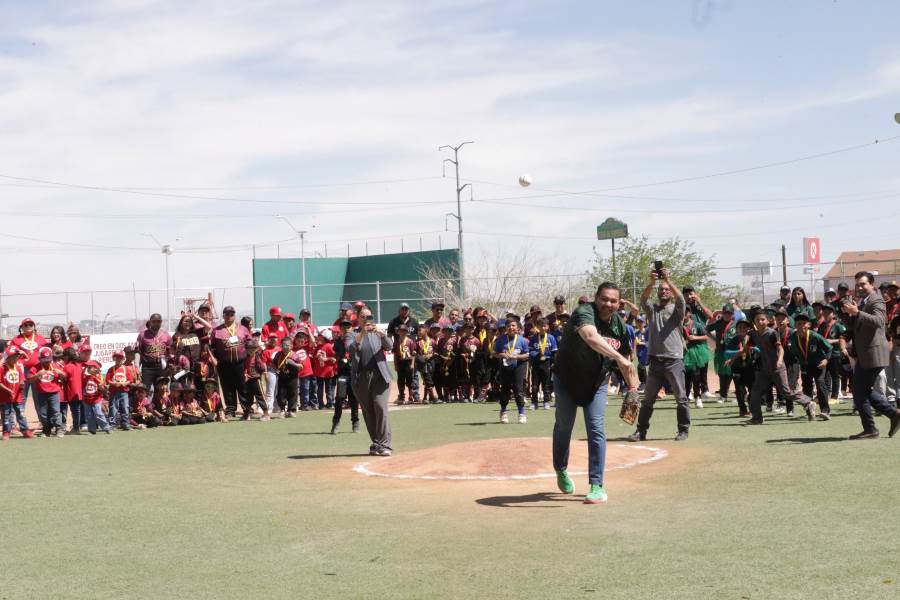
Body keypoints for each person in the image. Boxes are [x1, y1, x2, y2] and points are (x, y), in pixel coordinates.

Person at [552, 281, 638, 505]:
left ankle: (597, 485)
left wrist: (633, 389)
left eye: (613, 301)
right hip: (566, 380)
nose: (608, 304)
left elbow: (627, 361)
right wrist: (618, 358)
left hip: (596, 383)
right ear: (596, 298)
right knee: (564, 426)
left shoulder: (618, 325)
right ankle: (561, 468)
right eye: (604, 299)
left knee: (596, 429)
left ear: (620, 304)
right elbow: (590, 337)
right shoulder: (584, 312)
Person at [627, 269, 691, 442]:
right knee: (648, 400)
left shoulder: (677, 309)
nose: (663, 291)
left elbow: (681, 299)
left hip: (674, 360)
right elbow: (643, 299)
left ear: (670, 292)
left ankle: (683, 431)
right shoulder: (652, 310)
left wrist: (668, 280)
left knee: (681, 398)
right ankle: (641, 431)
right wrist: (652, 282)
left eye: (666, 289)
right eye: (661, 290)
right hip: (655, 361)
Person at [839, 271, 900, 439]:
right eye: (857, 284)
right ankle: (893, 414)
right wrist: (848, 312)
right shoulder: (862, 301)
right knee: (863, 391)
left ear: (872, 284)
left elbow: (879, 321)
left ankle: (872, 428)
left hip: (873, 353)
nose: (859, 287)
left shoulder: (877, 299)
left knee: (859, 393)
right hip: (866, 354)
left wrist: (857, 312)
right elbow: (856, 327)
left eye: (863, 284)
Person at [744, 310, 817, 425]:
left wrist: (779, 360)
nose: (760, 322)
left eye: (762, 319)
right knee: (755, 392)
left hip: (778, 368)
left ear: (768, 321)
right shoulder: (753, 334)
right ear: (754, 322)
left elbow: (780, 349)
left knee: (786, 392)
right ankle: (757, 418)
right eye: (757, 320)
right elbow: (747, 347)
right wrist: (734, 357)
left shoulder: (772, 333)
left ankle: (808, 402)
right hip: (764, 369)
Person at [350, 308, 393, 456]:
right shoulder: (352, 333)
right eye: (363, 317)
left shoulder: (377, 333)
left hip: (380, 375)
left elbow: (390, 346)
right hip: (361, 378)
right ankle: (377, 442)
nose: (367, 319)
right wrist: (363, 332)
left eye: (369, 316)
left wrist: (383, 335)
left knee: (380, 407)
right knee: (368, 412)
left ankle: (385, 444)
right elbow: (351, 348)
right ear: (358, 319)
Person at [789, 313, 833, 420]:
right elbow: (792, 353)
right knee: (807, 387)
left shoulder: (815, 336)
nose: (802, 326)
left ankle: (825, 411)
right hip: (805, 365)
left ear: (808, 325)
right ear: (795, 325)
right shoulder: (793, 337)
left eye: (804, 323)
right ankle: (809, 411)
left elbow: (829, 348)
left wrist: (826, 360)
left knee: (820, 383)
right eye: (799, 323)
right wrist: (791, 365)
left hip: (819, 364)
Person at [210, 306, 251, 417]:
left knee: (242, 386)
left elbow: (250, 344)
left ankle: (246, 409)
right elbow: (212, 347)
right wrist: (213, 358)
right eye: (227, 314)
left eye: (231, 314)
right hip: (224, 364)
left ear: (234, 315)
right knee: (227, 387)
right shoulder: (217, 330)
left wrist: (250, 358)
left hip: (240, 362)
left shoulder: (243, 329)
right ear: (223, 316)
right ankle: (230, 410)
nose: (229, 316)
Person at [491, 319, 530, 424]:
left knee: (518, 390)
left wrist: (517, 356)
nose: (511, 327)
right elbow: (493, 353)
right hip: (505, 368)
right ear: (506, 328)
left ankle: (521, 413)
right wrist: (501, 355)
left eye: (513, 325)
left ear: (518, 328)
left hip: (519, 367)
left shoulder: (522, 340)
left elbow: (527, 354)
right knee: (505, 390)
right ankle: (503, 412)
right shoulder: (500, 339)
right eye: (508, 326)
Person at [28, 346, 67, 437]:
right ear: (40, 358)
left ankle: (58, 429)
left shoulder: (54, 366)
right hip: (41, 393)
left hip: (54, 393)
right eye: (44, 360)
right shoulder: (36, 367)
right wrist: (37, 375)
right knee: (43, 413)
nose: (47, 362)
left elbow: (64, 377)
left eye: (48, 360)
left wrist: (61, 373)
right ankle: (46, 429)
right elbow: (30, 380)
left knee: (56, 412)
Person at [331, 319, 360, 434]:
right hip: (343, 373)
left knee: (354, 399)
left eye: (348, 327)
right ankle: (336, 423)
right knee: (340, 398)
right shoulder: (338, 342)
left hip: (354, 372)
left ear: (351, 328)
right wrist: (332, 359)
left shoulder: (356, 339)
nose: (346, 329)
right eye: (343, 327)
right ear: (340, 329)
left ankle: (355, 423)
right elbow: (336, 356)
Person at [724, 319, 756, 417]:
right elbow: (727, 352)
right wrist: (739, 351)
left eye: (744, 327)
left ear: (748, 328)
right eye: (740, 327)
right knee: (740, 390)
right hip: (737, 368)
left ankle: (752, 409)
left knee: (753, 389)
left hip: (750, 368)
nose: (742, 329)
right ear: (736, 329)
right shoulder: (734, 340)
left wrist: (752, 349)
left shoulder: (752, 338)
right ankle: (742, 410)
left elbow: (758, 350)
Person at [0, 346, 34, 440]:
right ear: (7, 358)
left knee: (21, 413)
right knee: (6, 414)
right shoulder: (2, 368)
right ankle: (6, 432)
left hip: (18, 396)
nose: (16, 358)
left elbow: (22, 378)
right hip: (5, 397)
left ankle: (25, 430)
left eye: (16, 356)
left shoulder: (18, 367)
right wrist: (8, 390)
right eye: (13, 357)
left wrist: (22, 383)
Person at [12, 317, 47, 401]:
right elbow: (12, 355)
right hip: (22, 370)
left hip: (37, 369)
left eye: (30, 324)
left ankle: (40, 414)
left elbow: (46, 353)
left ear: (34, 326)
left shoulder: (41, 338)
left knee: (39, 396)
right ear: (21, 327)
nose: (28, 326)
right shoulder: (16, 339)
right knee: (22, 394)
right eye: (26, 325)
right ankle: (21, 414)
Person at [707, 305, 737, 402]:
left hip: (732, 352)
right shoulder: (718, 323)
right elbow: (706, 329)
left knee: (732, 374)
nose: (727, 315)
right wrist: (714, 339)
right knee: (722, 374)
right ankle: (723, 395)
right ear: (722, 313)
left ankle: (740, 394)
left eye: (729, 313)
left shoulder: (736, 323)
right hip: (720, 352)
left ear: (732, 314)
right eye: (725, 313)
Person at [682, 311, 711, 408]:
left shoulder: (697, 324)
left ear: (689, 313)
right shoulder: (678, 325)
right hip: (683, 353)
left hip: (696, 352)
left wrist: (695, 337)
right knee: (686, 377)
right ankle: (686, 398)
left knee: (696, 375)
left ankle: (697, 397)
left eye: (685, 312)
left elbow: (706, 336)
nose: (683, 314)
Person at [529, 317, 557, 410]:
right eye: (540, 326)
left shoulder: (551, 338)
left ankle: (546, 401)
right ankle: (534, 402)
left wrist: (552, 361)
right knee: (535, 384)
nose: (542, 328)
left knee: (546, 383)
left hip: (547, 363)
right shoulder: (533, 338)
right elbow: (531, 351)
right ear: (537, 326)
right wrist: (537, 354)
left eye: (544, 326)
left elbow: (554, 352)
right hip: (536, 363)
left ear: (547, 326)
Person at [106, 349, 136, 431]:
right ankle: (112, 424)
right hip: (114, 392)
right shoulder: (111, 369)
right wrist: (114, 383)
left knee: (125, 407)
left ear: (123, 359)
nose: (119, 359)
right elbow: (108, 380)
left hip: (124, 392)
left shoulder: (126, 369)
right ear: (114, 358)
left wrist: (124, 384)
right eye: (117, 358)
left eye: (120, 358)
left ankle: (125, 424)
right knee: (113, 407)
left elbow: (130, 380)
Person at [242, 340, 270, 421]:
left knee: (260, 397)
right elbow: (244, 368)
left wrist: (264, 373)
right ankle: (246, 415)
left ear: (256, 349)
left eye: (252, 349)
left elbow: (262, 368)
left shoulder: (258, 357)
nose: (250, 351)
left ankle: (266, 414)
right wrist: (245, 374)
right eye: (248, 349)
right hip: (248, 381)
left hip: (256, 380)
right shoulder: (245, 358)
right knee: (248, 399)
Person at [81, 360, 111, 434]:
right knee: (89, 415)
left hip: (96, 399)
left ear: (95, 368)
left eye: (89, 367)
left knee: (98, 413)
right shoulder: (86, 377)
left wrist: (102, 388)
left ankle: (106, 427)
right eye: (87, 367)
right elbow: (81, 376)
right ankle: (92, 429)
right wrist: (84, 368)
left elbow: (103, 387)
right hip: (87, 399)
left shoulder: (99, 377)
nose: (88, 368)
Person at [393, 324, 418, 405]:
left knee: (409, 380)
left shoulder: (410, 341)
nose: (402, 332)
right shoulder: (397, 341)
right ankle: (401, 396)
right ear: (398, 332)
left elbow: (413, 354)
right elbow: (395, 354)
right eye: (401, 331)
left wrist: (412, 364)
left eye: (404, 331)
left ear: (407, 332)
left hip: (408, 362)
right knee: (400, 380)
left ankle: (411, 396)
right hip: (400, 362)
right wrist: (395, 364)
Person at [314, 329, 337, 409]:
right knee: (319, 389)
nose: (319, 338)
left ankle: (330, 403)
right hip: (319, 372)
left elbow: (334, 358)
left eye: (321, 336)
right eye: (319, 336)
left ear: (325, 337)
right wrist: (317, 357)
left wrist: (326, 359)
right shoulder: (318, 346)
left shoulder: (329, 346)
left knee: (328, 389)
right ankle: (321, 404)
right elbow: (314, 357)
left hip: (328, 371)